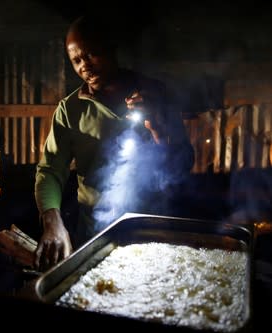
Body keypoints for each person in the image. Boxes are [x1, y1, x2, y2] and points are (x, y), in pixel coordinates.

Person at [33, 15, 195, 271]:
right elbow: (50, 170)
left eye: (91, 54)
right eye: (76, 60)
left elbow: (182, 165)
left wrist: (158, 128)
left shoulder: (155, 94)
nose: (83, 66)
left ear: (111, 47)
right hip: (95, 234)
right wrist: (52, 220)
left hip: (152, 232)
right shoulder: (70, 109)